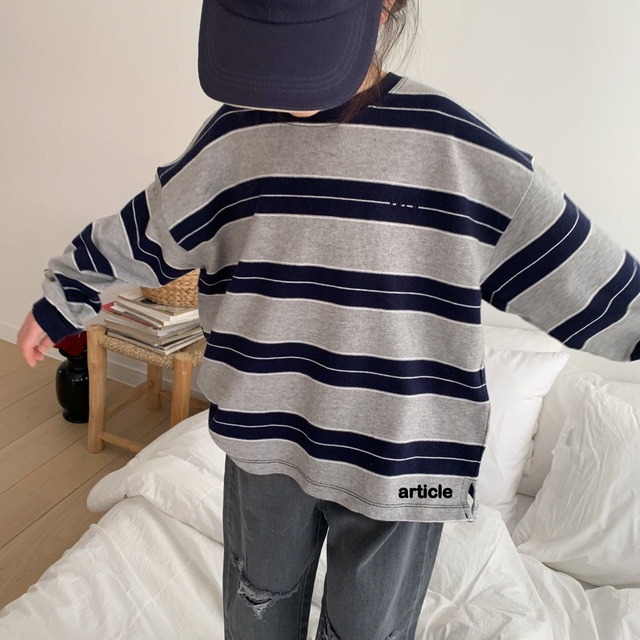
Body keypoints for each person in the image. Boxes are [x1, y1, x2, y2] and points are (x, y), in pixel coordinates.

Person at [17, 1, 640, 638]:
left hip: (404, 460)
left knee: (370, 629)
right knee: (258, 607)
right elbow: (147, 227)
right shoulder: (234, 137)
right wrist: (65, 291)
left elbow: (578, 265)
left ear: (386, 7)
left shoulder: (451, 146)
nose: (283, 73)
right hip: (266, 437)